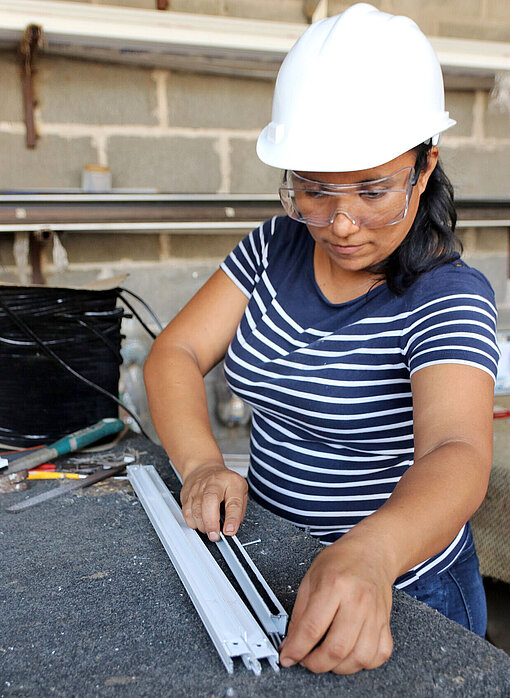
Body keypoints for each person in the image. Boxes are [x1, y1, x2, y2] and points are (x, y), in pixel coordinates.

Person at [144, 3, 499, 675]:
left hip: (402, 584)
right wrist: (202, 466)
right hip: (273, 554)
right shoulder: (274, 246)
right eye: (312, 190)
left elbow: (458, 452)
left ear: (425, 168)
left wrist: (374, 552)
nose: (339, 224)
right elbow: (177, 354)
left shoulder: (446, 296)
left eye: (372, 190)